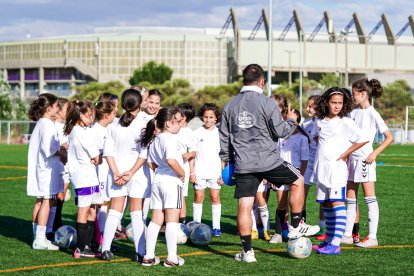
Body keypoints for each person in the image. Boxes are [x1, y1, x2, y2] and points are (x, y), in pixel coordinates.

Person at [219, 64, 315, 263]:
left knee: (244, 206)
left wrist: (227, 161)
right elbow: (281, 132)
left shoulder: (230, 105)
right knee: (298, 180)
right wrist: (291, 121)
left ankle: (247, 253)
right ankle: (296, 226)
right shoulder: (267, 103)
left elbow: (224, 138)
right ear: (262, 82)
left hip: (243, 163)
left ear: (243, 81)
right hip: (268, 161)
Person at [311, 87, 368, 255]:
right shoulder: (319, 120)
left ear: (344, 105)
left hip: (337, 170)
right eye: (333, 102)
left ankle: (336, 243)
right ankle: (328, 240)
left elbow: (363, 138)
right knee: (326, 203)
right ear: (326, 103)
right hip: (321, 168)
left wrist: (344, 154)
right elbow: (316, 136)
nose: (336, 106)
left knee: (337, 202)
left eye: (340, 103)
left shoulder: (346, 121)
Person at [341, 79, 393, 247]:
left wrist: (374, 153)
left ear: (363, 94)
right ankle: (348, 235)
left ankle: (372, 237)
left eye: (353, 93)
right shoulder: (353, 112)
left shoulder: (373, 113)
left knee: (369, 198)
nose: (352, 96)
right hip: (352, 160)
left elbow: (389, 137)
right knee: (350, 198)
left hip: (365, 160)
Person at [101, 89, 150, 262]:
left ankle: (105, 249)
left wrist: (116, 173)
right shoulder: (145, 123)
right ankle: (140, 251)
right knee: (136, 213)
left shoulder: (113, 125)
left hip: (117, 173)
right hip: (137, 174)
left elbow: (108, 153)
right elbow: (144, 154)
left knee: (114, 211)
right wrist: (131, 172)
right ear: (140, 103)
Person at [141, 106, 186, 267]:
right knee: (172, 221)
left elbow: (151, 163)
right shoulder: (170, 139)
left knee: (155, 221)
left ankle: (149, 256)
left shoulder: (155, 140)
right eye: (177, 121)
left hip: (158, 181)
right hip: (171, 181)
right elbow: (171, 160)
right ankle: (172, 258)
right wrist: (182, 174)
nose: (180, 124)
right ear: (167, 124)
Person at [64, 100, 101, 258]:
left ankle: (88, 245)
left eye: (93, 115)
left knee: (93, 210)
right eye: (88, 115)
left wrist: (95, 158)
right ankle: (80, 248)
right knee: (84, 210)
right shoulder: (78, 131)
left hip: (90, 175)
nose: (91, 118)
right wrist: (96, 157)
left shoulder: (82, 129)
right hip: (83, 176)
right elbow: (95, 155)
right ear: (79, 115)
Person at [270, 109, 313, 244]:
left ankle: (297, 230)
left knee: (297, 204)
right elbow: (275, 156)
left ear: (298, 123)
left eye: (293, 121)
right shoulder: (280, 137)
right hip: (281, 174)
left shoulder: (302, 138)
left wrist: (300, 177)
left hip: (296, 175)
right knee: (281, 204)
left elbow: (304, 160)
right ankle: (277, 234)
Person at [27, 93, 63, 250]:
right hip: (46, 169)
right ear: (49, 108)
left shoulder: (42, 123)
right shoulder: (47, 124)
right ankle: (40, 238)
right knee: (47, 201)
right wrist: (62, 150)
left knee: (41, 200)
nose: (58, 110)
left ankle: (37, 236)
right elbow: (48, 148)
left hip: (41, 167)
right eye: (56, 107)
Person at [190, 103, 223, 237]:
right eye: (205, 117)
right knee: (199, 197)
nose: (208, 120)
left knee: (215, 197)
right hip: (199, 171)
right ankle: (196, 225)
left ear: (216, 118)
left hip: (215, 172)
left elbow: (223, 155)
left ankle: (216, 227)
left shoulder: (220, 133)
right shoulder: (196, 133)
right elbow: (192, 154)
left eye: (211, 117)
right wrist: (192, 172)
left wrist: (223, 172)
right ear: (202, 117)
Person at [90, 100, 117, 250]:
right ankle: (99, 239)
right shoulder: (96, 130)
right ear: (106, 115)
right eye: (114, 113)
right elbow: (93, 155)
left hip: (105, 172)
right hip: (98, 173)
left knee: (104, 202)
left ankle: (103, 237)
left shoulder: (108, 128)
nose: (115, 115)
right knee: (100, 203)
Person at [302, 95, 326, 237]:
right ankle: (301, 223)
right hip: (307, 164)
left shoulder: (324, 122)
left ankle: (322, 226)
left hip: (321, 163)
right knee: (300, 195)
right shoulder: (305, 124)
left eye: (310, 106)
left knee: (322, 197)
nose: (307, 108)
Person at [176, 103, 196, 224]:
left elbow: (194, 152)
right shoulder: (173, 128)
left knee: (181, 196)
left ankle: (181, 222)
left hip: (183, 169)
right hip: (169, 167)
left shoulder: (189, 132)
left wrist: (188, 155)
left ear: (183, 117)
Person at [53, 97, 70, 232]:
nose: (69, 111)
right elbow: (53, 146)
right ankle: (54, 224)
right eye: (67, 109)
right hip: (58, 165)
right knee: (57, 196)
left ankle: (57, 221)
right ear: (58, 111)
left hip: (67, 165)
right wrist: (64, 146)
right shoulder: (53, 126)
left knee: (62, 195)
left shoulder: (67, 126)